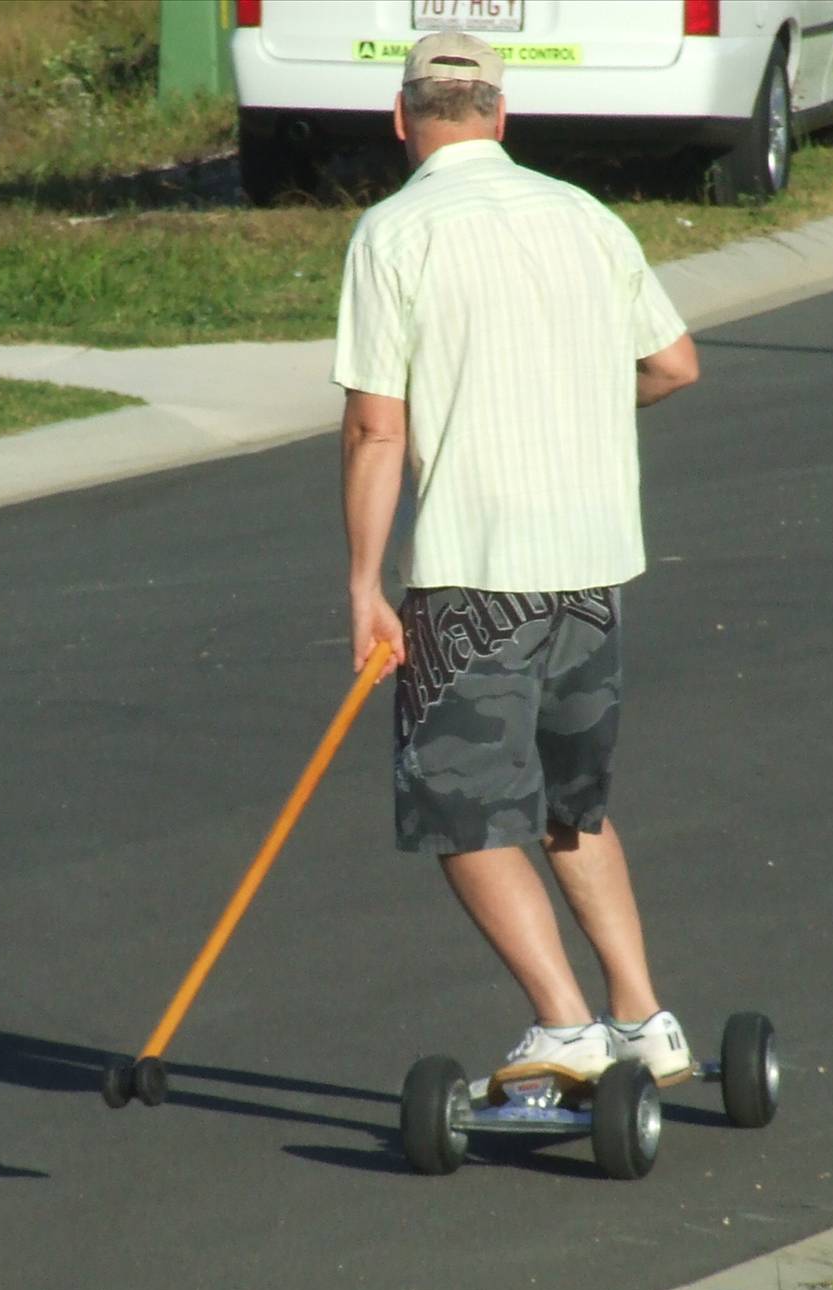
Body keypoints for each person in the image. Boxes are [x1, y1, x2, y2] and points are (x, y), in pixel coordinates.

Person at [332, 32, 701, 1091]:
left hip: (473, 574)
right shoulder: (586, 218)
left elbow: (374, 430)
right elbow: (674, 364)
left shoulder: (393, 234)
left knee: (463, 806)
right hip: (591, 571)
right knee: (568, 803)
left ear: (402, 119)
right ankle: (643, 1017)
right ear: (500, 113)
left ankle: (567, 1025)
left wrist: (365, 587)